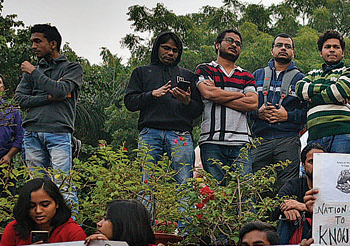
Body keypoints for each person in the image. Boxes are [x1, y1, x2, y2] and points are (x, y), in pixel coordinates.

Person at [14, 24, 84, 199]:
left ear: (53, 44)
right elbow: (19, 99)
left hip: (58, 132)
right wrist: (49, 97)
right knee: (36, 189)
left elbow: (61, 90)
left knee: (63, 186)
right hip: (31, 132)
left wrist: (34, 73)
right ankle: (42, 227)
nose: (33, 46)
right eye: (32, 42)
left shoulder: (72, 68)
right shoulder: (34, 71)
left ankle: (71, 226)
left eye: (38, 41)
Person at [123, 32, 202, 185]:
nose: (170, 53)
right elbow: (129, 102)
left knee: (184, 182)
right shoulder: (142, 72)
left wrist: (186, 101)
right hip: (150, 132)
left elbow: (198, 110)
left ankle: (184, 210)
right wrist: (152, 94)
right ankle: (146, 210)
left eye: (174, 50)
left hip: (181, 133)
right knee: (147, 183)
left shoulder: (188, 75)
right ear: (157, 48)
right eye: (166, 48)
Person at [196, 29, 258, 181]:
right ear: (217, 45)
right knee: (216, 195)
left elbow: (253, 103)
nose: (234, 45)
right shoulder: (204, 69)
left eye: (238, 43)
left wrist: (218, 93)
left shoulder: (246, 75)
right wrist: (240, 94)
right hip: (211, 140)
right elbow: (208, 94)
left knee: (244, 193)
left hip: (241, 142)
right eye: (230, 40)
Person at [248, 33, 306, 182]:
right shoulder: (257, 75)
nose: (283, 49)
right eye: (279, 45)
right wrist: (257, 113)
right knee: (254, 184)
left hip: (288, 139)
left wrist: (288, 116)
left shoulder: (302, 79)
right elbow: (246, 106)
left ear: (293, 52)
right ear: (272, 50)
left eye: (288, 46)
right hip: (261, 138)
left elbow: (308, 113)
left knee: (287, 186)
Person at [293, 30, 350, 154]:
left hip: (342, 133)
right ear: (321, 52)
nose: (331, 50)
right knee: (318, 174)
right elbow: (299, 89)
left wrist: (313, 98)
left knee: (342, 173)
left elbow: (340, 90)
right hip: (315, 135)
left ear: (343, 52)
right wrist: (331, 89)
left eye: (336, 47)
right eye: (327, 47)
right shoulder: (312, 74)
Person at [277, 143, 321, 245]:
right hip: (297, 234)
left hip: (325, 236)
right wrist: (286, 209)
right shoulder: (294, 184)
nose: (317, 165)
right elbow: (276, 203)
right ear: (303, 166)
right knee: (285, 219)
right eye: (312, 161)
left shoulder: (336, 188)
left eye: (321, 161)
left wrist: (303, 207)